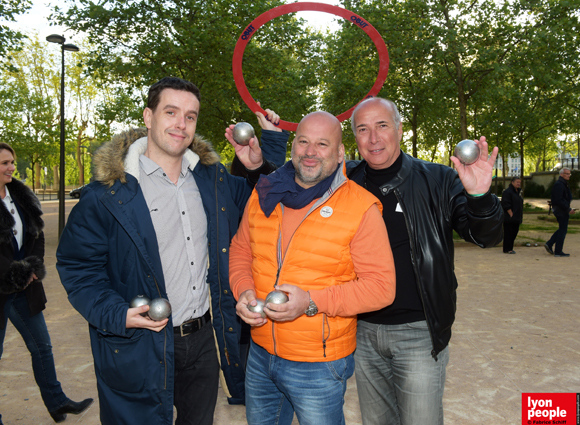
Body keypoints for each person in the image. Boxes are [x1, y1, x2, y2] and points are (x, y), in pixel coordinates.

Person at [56, 77, 288, 425]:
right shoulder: (106, 194)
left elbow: (267, 201)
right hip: (139, 343)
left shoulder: (214, 181)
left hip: (202, 344)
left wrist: (260, 157)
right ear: (148, 117)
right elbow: (78, 267)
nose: (181, 124)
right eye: (171, 112)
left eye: (191, 116)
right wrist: (117, 314)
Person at [229, 111, 397, 425]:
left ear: (340, 153)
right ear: (293, 146)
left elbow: (381, 288)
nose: (310, 151)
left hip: (318, 364)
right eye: (304, 141)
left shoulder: (361, 207)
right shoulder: (264, 192)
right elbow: (240, 250)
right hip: (260, 353)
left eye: (322, 144)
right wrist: (245, 292)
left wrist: (310, 302)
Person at [346, 97, 503, 425]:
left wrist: (479, 196)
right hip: (361, 330)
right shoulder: (342, 181)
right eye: (363, 129)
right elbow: (292, 185)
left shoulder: (439, 179)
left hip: (419, 330)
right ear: (355, 138)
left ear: (400, 130)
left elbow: (485, 237)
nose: (373, 138)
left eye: (382, 126)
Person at [0, 142, 93, 424]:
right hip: (2, 286)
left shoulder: (19, 196)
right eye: (5, 163)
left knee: (42, 346)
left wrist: (32, 267)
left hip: (23, 287)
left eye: (12, 162)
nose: (12, 168)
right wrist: (15, 272)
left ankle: (57, 403)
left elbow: (36, 234)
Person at [545, 167, 575, 257]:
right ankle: (558, 251)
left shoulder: (563, 184)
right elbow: (558, 200)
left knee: (562, 229)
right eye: (567, 174)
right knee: (563, 230)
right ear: (561, 174)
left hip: (562, 210)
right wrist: (568, 209)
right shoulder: (559, 184)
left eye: (569, 174)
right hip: (560, 210)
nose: (569, 175)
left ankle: (550, 244)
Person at [501, 176, 523, 254]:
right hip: (509, 217)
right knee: (508, 232)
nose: (518, 184)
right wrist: (510, 213)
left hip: (517, 216)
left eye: (519, 182)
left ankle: (510, 247)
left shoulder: (519, 192)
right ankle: (508, 249)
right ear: (512, 182)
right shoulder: (507, 192)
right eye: (517, 182)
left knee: (514, 232)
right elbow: (505, 203)